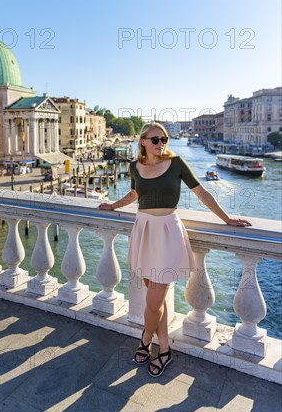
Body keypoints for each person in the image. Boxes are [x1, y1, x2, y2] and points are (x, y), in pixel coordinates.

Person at [99, 122, 251, 378]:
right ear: (143, 142)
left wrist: (227, 220)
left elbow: (202, 193)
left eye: (164, 139)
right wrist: (113, 205)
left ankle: (145, 340)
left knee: (154, 300)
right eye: (156, 140)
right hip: (144, 230)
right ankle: (165, 349)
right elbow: (134, 194)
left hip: (167, 232)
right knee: (155, 300)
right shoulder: (134, 166)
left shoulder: (177, 163)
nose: (161, 144)